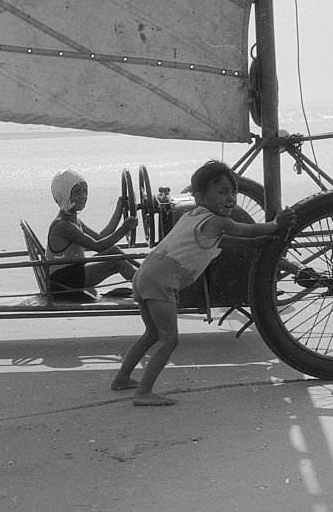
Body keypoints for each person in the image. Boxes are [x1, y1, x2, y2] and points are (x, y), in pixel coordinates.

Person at [110, 160, 296, 406]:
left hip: (145, 275)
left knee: (152, 334)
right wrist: (275, 225)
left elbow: (225, 243)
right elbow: (243, 231)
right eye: (221, 192)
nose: (230, 199)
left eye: (233, 192)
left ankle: (121, 379)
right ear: (199, 196)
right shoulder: (218, 221)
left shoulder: (195, 215)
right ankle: (144, 392)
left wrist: (257, 244)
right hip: (160, 283)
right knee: (170, 340)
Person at [46, 169, 138, 302]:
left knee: (114, 251)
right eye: (77, 192)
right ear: (64, 195)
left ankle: (147, 274)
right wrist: (125, 228)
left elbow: (100, 237)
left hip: (73, 270)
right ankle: (149, 287)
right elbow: (99, 246)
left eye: (85, 191)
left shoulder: (73, 220)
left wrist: (119, 210)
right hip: (65, 281)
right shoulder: (64, 225)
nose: (83, 196)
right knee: (117, 260)